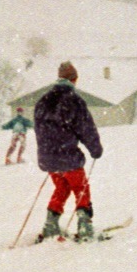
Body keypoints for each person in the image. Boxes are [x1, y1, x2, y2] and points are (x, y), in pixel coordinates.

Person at [33, 61, 103, 242]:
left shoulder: (43, 101)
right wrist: (95, 149)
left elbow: (39, 128)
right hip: (68, 157)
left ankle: (51, 225)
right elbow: (86, 128)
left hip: (48, 157)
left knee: (61, 187)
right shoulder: (74, 100)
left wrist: (48, 152)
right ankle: (85, 226)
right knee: (81, 188)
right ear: (74, 79)